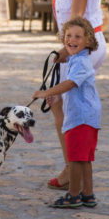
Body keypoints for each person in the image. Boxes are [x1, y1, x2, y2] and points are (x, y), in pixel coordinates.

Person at [42, 0, 108, 189]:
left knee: (71, 109)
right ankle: (71, 167)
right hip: (74, 46)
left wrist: (66, 49)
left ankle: (75, 175)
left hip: (85, 47)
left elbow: (77, 17)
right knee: (58, 103)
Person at [33, 16, 100, 207]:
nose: (72, 40)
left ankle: (73, 195)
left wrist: (47, 92)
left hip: (80, 118)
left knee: (76, 158)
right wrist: (57, 98)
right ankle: (88, 194)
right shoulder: (76, 59)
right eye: (68, 36)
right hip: (88, 116)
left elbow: (70, 83)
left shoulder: (80, 62)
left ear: (88, 41)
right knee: (85, 158)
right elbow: (73, 88)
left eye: (78, 37)